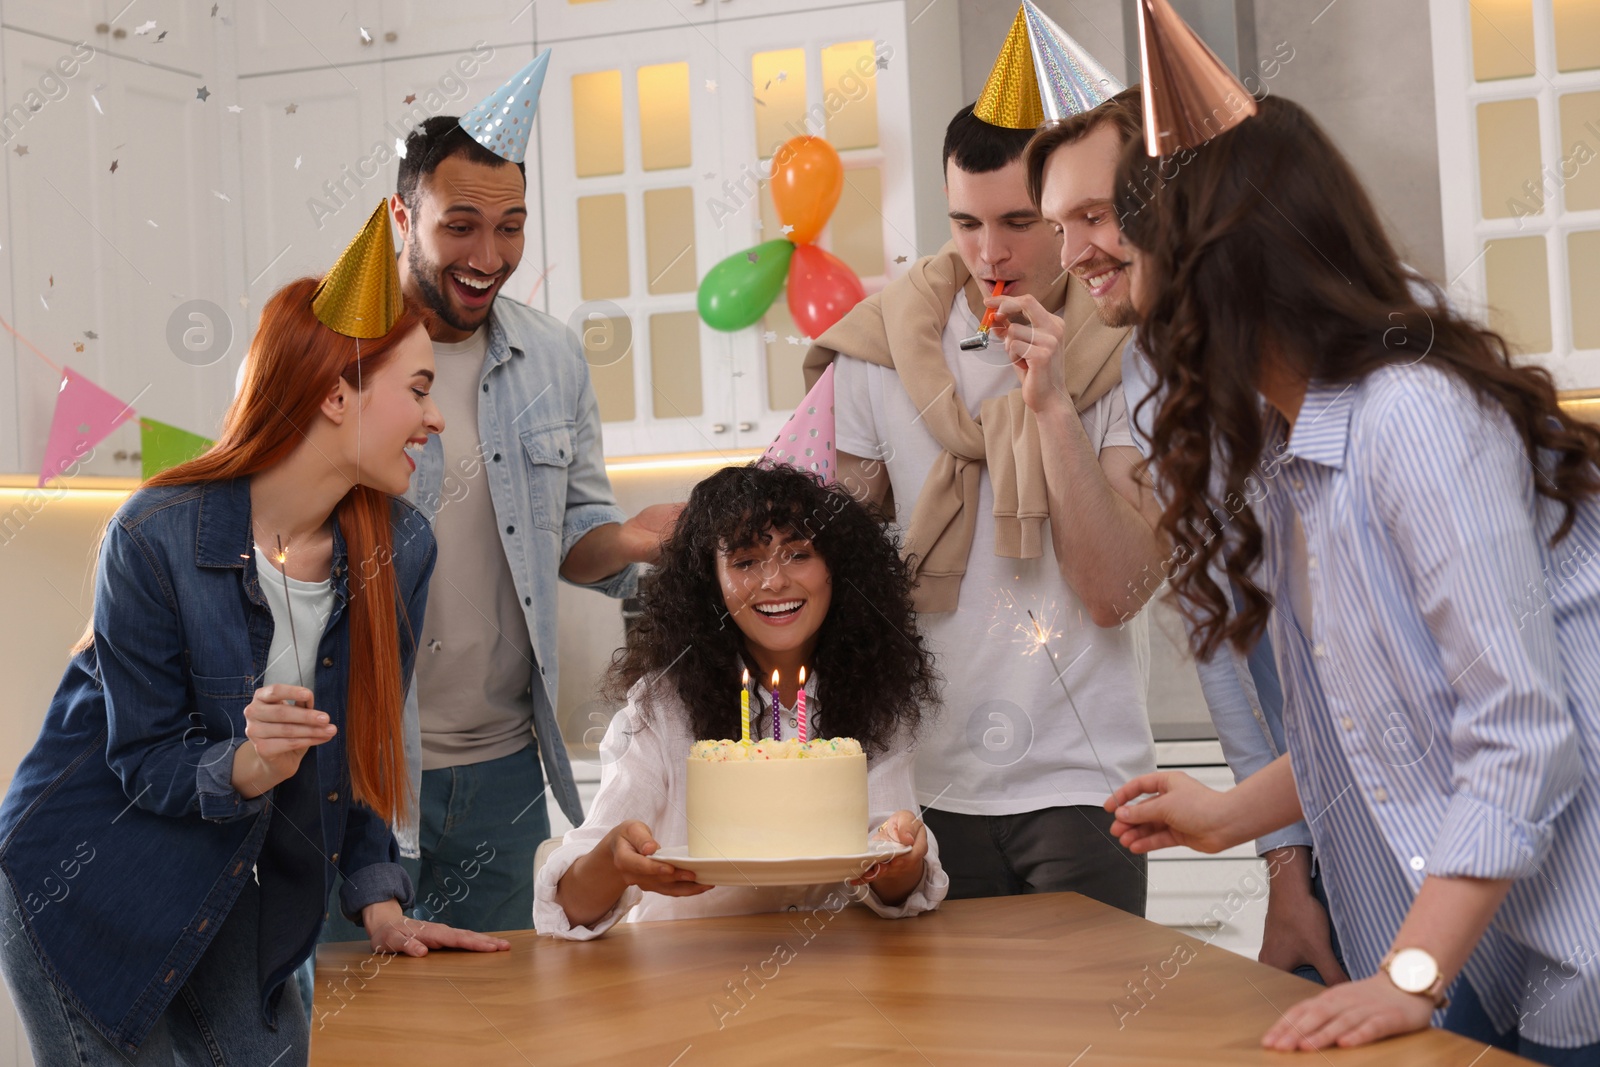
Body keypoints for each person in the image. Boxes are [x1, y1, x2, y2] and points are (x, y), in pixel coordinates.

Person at [1103, 95, 1600, 1062]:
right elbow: (1380, 718)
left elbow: (1518, 732)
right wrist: (1225, 815)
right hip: (1500, 964)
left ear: (1225, 268)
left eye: (1142, 256)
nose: (1135, 298)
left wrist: (1409, 976)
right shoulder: (1296, 452)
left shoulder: (1411, 415)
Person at [0, 274, 509, 1065]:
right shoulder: (155, 535)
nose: (435, 417)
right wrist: (250, 762)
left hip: (229, 876)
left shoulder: (402, 548)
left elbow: (364, 741)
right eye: (417, 390)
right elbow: (140, 758)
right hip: (87, 873)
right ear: (337, 395)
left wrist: (378, 897)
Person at [317, 114, 678, 939]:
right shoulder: (331, 354)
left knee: (507, 1019)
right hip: (358, 768)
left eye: (511, 227)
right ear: (402, 218)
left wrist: (629, 540)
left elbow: (573, 538)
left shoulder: (552, 359)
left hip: (505, 770)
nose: (489, 257)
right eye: (461, 226)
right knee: (354, 1030)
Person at [1022, 87, 1347, 987]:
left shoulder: (1380, 379)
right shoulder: (1157, 369)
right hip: (1329, 804)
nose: (1073, 252)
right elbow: (1229, 640)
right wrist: (1284, 859)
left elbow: (1435, 707)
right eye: (1059, 226)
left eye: (1095, 214)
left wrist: (1241, 813)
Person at [803, 102, 1163, 910]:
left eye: (1020, 222)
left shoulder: (1124, 345)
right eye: (966, 222)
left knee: (1084, 1039)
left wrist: (1054, 407)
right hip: (918, 785)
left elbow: (1117, 590)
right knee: (942, 1040)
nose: (990, 252)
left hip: (1086, 779)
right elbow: (827, 573)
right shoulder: (879, 349)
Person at [534, 463, 947, 937]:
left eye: (797, 554)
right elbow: (569, 908)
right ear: (709, 581)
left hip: (832, 975)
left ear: (838, 567)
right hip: (684, 974)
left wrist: (899, 860)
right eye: (746, 561)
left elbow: (899, 882)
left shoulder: (877, 697)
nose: (773, 582)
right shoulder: (662, 707)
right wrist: (615, 861)